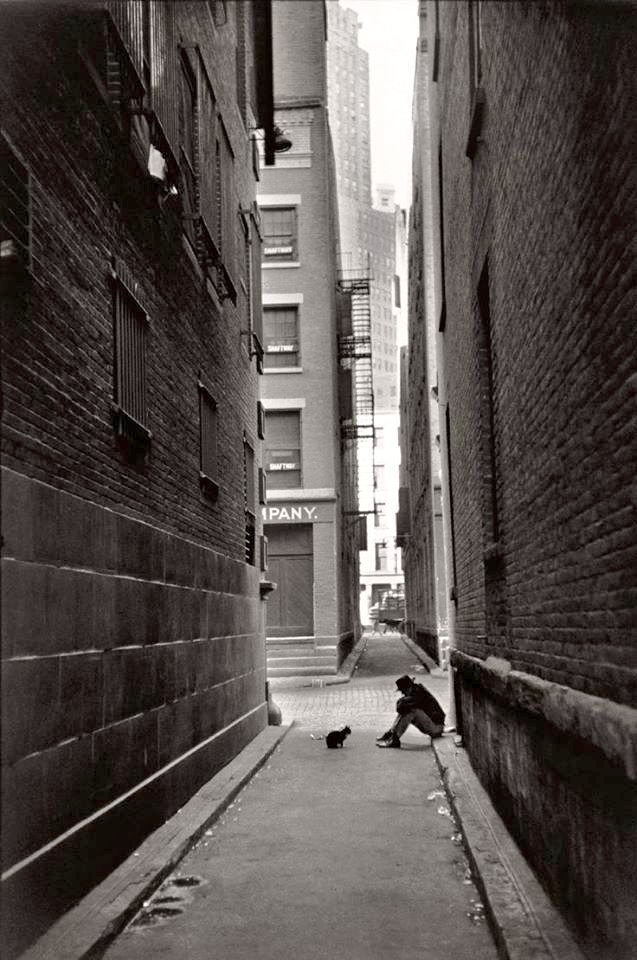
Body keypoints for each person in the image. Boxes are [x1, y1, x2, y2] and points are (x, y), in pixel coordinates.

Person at [376, 674, 445, 748]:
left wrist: (401, 701)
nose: (403, 693)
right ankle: (391, 733)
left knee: (411, 711)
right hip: (434, 725)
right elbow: (401, 708)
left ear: (408, 688)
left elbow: (401, 706)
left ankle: (394, 739)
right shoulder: (415, 691)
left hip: (436, 728)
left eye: (403, 691)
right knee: (406, 710)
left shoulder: (418, 693)